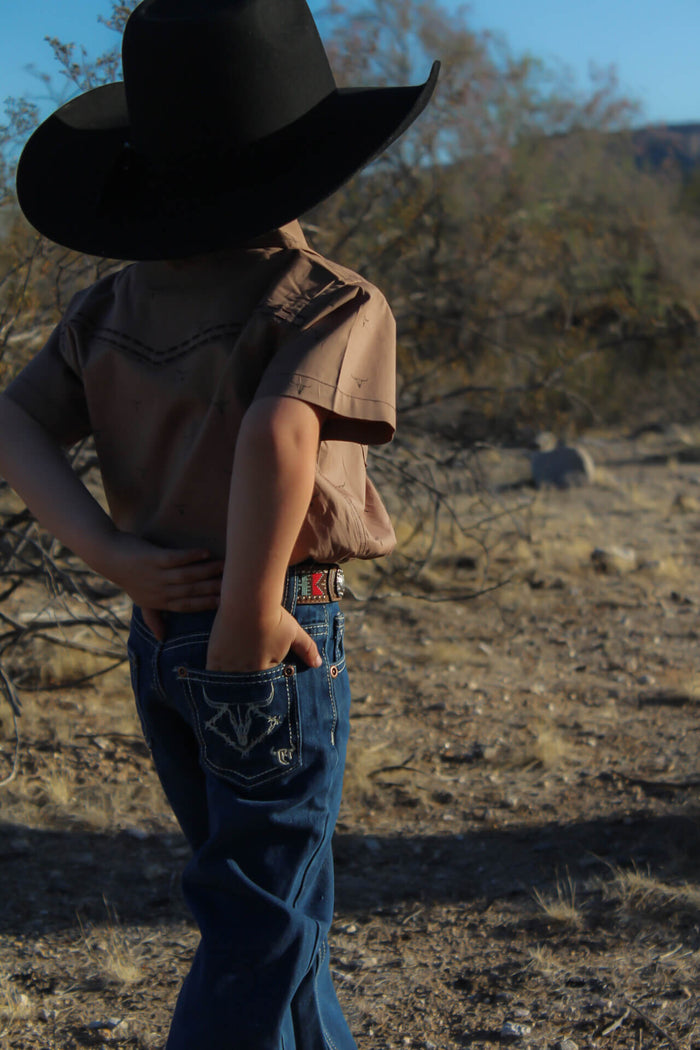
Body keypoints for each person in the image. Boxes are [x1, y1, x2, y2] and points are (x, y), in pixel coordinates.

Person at [0, 1, 439, 1047]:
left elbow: (11, 417)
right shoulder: (330, 299)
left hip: (158, 630)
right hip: (269, 628)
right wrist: (247, 618)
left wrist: (113, 557)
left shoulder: (108, 308)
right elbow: (278, 434)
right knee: (259, 917)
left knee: (276, 903)